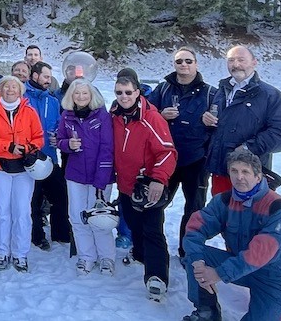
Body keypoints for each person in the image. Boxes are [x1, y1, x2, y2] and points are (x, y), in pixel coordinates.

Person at [182, 148, 281, 321]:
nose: (239, 177)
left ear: (258, 176)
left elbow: (260, 253)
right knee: (195, 257)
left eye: (245, 171)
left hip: (274, 278)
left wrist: (219, 273)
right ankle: (206, 312)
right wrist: (198, 263)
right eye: (234, 171)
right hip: (242, 268)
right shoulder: (223, 200)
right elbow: (195, 228)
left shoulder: (278, 209)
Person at [111, 67, 177, 302]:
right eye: (119, 92)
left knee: (152, 229)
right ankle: (139, 254)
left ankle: (157, 276)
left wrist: (159, 179)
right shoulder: (115, 115)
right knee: (132, 223)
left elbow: (167, 152)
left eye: (128, 92)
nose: (124, 97)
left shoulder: (152, 118)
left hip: (147, 184)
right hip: (125, 184)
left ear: (137, 92)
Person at [149, 47, 218, 258]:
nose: (184, 65)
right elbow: (146, 117)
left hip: (196, 159)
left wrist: (213, 123)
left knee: (195, 209)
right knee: (156, 203)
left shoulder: (210, 93)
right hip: (167, 158)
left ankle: (187, 251)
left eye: (188, 61)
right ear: (174, 65)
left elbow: (223, 125)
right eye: (179, 61)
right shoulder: (163, 89)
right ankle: (153, 247)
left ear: (196, 64)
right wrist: (160, 115)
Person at [202, 45, 281, 195]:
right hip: (221, 171)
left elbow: (280, 136)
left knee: (248, 216)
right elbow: (217, 128)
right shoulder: (222, 91)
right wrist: (206, 122)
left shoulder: (270, 95)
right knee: (222, 215)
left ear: (254, 62)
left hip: (250, 175)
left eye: (241, 60)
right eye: (231, 60)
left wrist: (247, 148)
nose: (236, 65)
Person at [0, 75, 43, 272]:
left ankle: (20, 253)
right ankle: (2, 251)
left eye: (14, 87)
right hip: (0, 167)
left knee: (23, 212)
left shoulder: (30, 112)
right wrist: (8, 146)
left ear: (20, 91)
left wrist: (27, 147)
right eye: (6, 87)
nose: (10, 90)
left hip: (24, 168)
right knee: (3, 212)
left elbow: (39, 138)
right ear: (0, 90)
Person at [56, 78, 115, 276]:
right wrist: (67, 146)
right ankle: (86, 256)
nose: (81, 97)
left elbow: (108, 148)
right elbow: (61, 140)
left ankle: (106, 257)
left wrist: (101, 179)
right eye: (77, 93)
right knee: (77, 217)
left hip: (100, 175)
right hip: (76, 174)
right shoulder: (67, 115)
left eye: (85, 93)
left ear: (92, 96)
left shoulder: (103, 116)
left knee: (99, 218)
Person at [26, 61, 70, 250]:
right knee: (33, 200)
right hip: (30, 159)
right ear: (35, 76)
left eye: (50, 77)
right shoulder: (23, 98)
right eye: (45, 76)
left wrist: (58, 137)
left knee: (60, 195)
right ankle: (37, 236)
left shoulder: (52, 101)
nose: (48, 80)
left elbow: (60, 125)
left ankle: (61, 233)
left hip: (50, 158)